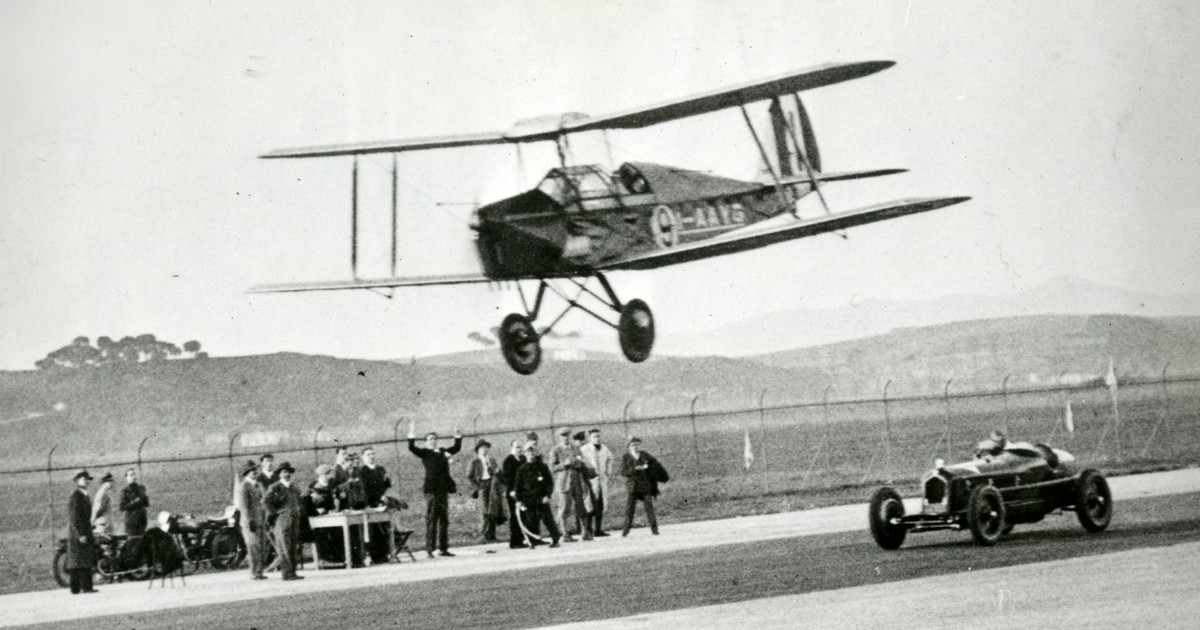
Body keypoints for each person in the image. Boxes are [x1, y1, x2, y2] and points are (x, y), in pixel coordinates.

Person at [408, 421, 462, 558]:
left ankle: (443, 548)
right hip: (431, 490)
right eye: (430, 439)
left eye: (434, 439)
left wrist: (457, 435)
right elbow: (412, 447)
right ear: (426, 442)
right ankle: (429, 549)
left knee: (444, 520)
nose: (433, 441)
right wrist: (411, 433)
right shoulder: (425, 453)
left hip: (443, 489)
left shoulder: (443, 451)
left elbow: (456, 448)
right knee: (432, 519)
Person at [513, 444, 561, 548]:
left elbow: (549, 483)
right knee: (530, 520)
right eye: (528, 452)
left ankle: (555, 539)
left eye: (533, 452)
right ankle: (532, 541)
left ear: (536, 453)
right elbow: (518, 486)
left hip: (541, 498)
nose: (531, 454)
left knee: (547, 519)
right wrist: (518, 500)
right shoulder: (522, 469)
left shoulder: (543, 467)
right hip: (528, 499)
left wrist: (547, 495)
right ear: (525, 454)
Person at [263, 461, 304, 580]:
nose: (287, 474)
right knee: (284, 547)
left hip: (294, 519)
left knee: (292, 546)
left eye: (288, 472)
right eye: (284, 472)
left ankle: (293, 572)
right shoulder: (276, 487)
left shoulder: (294, 487)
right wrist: (275, 514)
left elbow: (299, 501)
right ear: (279, 474)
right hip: (282, 521)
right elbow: (266, 502)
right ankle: (287, 573)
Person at [620, 437, 668, 537]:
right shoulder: (626, 457)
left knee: (649, 509)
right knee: (630, 510)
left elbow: (655, 465)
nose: (636, 447)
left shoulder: (644, 455)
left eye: (637, 444)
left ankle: (655, 530)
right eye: (633, 445)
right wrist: (634, 469)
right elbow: (623, 472)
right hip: (633, 487)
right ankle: (625, 531)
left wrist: (650, 469)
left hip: (645, 486)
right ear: (628, 447)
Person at [303, 464, 343, 566]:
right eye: (327, 474)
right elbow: (307, 508)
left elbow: (332, 505)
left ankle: (338, 558)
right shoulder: (312, 490)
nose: (330, 476)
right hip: (315, 521)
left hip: (329, 518)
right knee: (321, 534)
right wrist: (318, 510)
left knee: (338, 531)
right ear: (321, 475)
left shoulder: (331, 488)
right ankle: (323, 559)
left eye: (329, 473)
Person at [233, 460, 267, 580]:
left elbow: (263, 501)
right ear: (246, 473)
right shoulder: (244, 487)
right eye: (251, 470)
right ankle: (254, 572)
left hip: (260, 520)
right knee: (253, 547)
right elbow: (244, 507)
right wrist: (249, 521)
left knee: (261, 547)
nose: (254, 472)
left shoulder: (258, 485)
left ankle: (259, 571)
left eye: (255, 469)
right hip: (250, 522)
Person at [358, 446, 393, 563]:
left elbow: (385, 484)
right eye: (368, 454)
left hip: (383, 502)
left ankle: (385, 554)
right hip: (371, 502)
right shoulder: (362, 471)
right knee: (373, 530)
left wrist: (386, 493)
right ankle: (375, 556)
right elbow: (366, 488)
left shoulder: (380, 469)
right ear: (363, 457)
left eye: (372, 454)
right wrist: (378, 497)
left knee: (384, 527)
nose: (371, 456)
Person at [65, 469, 98, 594]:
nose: (87, 481)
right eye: (84, 479)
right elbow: (75, 517)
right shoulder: (76, 496)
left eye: (87, 479)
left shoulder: (84, 495)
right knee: (77, 561)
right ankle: (78, 588)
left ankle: (85, 587)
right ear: (77, 480)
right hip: (78, 532)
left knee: (83, 560)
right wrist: (80, 534)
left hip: (84, 530)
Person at [467, 440, 503, 543]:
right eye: (482, 448)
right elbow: (469, 476)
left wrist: (497, 473)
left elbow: (498, 473)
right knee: (484, 511)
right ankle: (484, 535)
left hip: (492, 485)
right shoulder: (475, 462)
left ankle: (492, 536)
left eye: (486, 447)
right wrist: (477, 488)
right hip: (482, 486)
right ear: (478, 450)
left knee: (493, 510)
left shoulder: (492, 460)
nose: (485, 450)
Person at [580, 429, 613, 536]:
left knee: (601, 504)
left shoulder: (604, 448)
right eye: (595, 436)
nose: (597, 439)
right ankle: (588, 529)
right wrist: (587, 473)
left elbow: (610, 459)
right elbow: (580, 461)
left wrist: (608, 472)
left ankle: (598, 529)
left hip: (602, 479)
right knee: (590, 505)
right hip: (591, 480)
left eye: (599, 436)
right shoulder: (585, 449)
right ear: (590, 438)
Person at [564, 431, 596, 540]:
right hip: (572, 480)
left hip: (582, 479)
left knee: (585, 505)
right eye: (579, 441)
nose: (581, 443)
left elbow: (589, 466)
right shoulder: (573, 450)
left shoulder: (583, 450)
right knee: (571, 507)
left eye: (583, 440)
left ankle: (586, 531)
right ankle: (573, 532)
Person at [549, 428, 577, 541]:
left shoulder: (574, 448)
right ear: (559, 437)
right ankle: (563, 532)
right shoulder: (555, 450)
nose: (566, 438)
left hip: (573, 481)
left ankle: (564, 530)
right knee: (563, 508)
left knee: (568, 508)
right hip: (562, 482)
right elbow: (552, 468)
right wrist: (564, 464)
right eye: (563, 436)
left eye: (567, 435)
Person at [500, 439, 526, 548]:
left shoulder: (523, 459)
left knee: (523, 515)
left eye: (520, 447)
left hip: (523, 491)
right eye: (517, 447)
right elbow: (507, 478)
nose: (519, 449)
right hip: (513, 492)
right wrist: (511, 490)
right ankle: (514, 541)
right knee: (515, 516)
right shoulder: (508, 460)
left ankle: (521, 538)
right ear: (512, 448)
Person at [118, 468, 150, 536]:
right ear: (127, 477)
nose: (134, 477)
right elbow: (122, 507)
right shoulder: (125, 491)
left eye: (134, 474)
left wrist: (145, 498)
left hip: (141, 521)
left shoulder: (141, 488)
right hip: (131, 522)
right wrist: (134, 502)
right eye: (131, 475)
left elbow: (146, 504)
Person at [90, 472, 115, 538]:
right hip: (102, 524)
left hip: (104, 523)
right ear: (104, 483)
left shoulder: (104, 493)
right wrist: (92, 522)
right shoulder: (102, 494)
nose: (111, 484)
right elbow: (98, 509)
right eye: (109, 482)